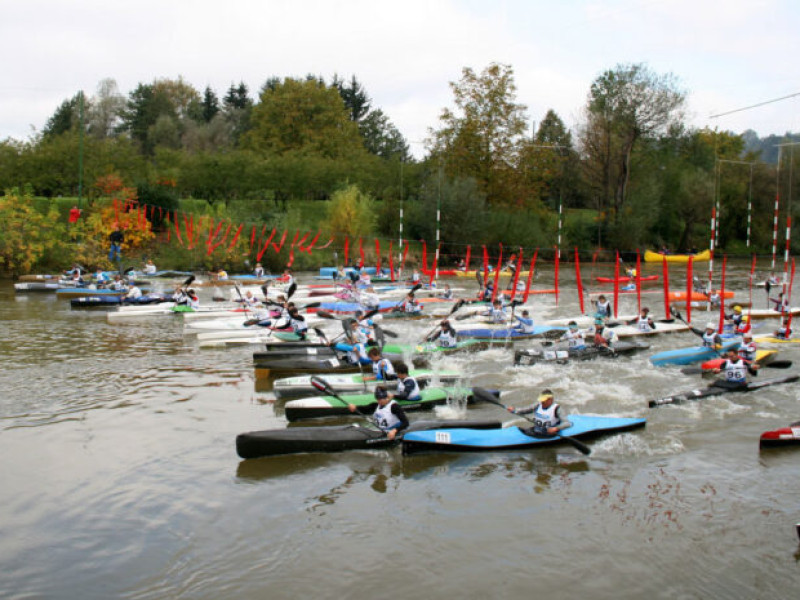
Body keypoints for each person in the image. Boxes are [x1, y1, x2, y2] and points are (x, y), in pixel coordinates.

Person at [506, 389, 572, 437]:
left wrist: (556, 428)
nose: (542, 402)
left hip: (547, 434)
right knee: (519, 429)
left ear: (550, 400)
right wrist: (514, 410)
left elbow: (567, 423)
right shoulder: (538, 405)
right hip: (536, 431)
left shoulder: (557, 409)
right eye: (541, 400)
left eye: (543, 401)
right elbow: (525, 410)